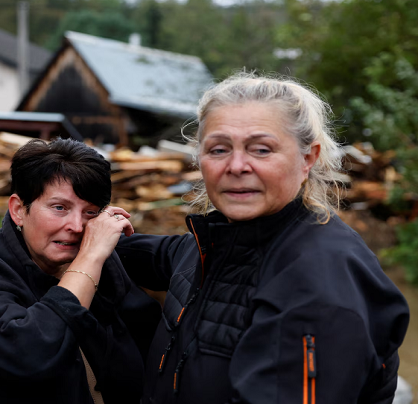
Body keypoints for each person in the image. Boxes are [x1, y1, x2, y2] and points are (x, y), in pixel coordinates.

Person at [114, 72, 410, 404]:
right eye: (219, 149)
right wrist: (85, 235)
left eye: (261, 149)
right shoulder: (220, 244)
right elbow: (162, 255)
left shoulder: (317, 284)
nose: (237, 165)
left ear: (307, 158)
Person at [0, 138, 161, 404]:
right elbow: (32, 354)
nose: (77, 226)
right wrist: (90, 258)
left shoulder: (105, 265)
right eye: (60, 208)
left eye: (90, 212)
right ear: (19, 210)